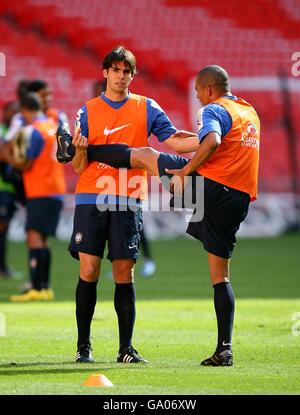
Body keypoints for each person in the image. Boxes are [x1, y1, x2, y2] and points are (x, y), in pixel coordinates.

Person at [57, 65, 260, 366]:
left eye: (197, 93)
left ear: (207, 89)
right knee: (221, 276)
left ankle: (72, 149)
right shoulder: (249, 112)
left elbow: (212, 141)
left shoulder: (213, 110)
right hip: (240, 199)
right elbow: (211, 143)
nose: (197, 98)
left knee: (145, 155)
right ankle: (224, 349)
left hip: (208, 189)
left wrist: (185, 172)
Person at [60, 46, 198, 364]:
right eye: (116, 70)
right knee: (90, 269)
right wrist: (80, 149)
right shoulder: (87, 110)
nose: (121, 76)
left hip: (129, 198)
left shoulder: (147, 107)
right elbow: (78, 166)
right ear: (105, 73)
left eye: (127, 71)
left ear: (132, 75)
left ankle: (126, 349)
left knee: (124, 272)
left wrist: (207, 139)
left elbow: (175, 140)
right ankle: (84, 347)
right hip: (91, 196)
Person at [92, 78, 156, 279]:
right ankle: (118, 262)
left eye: (97, 92)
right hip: (108, 179)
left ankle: (147, 260)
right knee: (114, 223)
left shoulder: (122, 115)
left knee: (134, 223)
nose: (95, 97)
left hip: (128, 178)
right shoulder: (96, 115)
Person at [8, 93, 66, 301]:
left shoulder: (33, 130)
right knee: (41, 238)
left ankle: (36, 287)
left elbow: (26, 163)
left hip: (41, 189)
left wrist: (8, 158)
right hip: (55, 190)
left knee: (33, 237)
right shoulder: (51, 125)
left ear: (24, 110)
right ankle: (44, 287)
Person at [0, 101, 20, 277]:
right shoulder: (2, 132)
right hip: (2, 189)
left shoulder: (14, 133)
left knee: (3, 231)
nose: (14, 116)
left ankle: (3, 267)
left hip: (8, 189)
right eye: (11, 112)